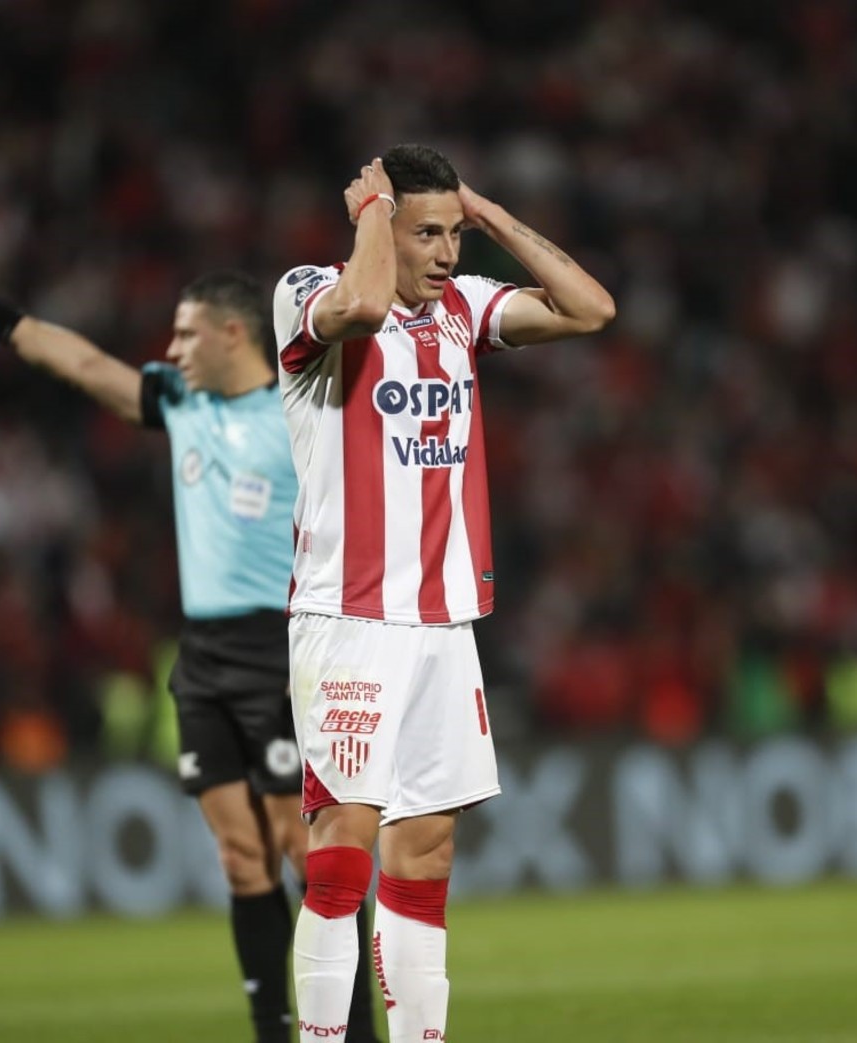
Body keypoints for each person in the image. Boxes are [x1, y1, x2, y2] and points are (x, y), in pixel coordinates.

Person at [0, 255, 379, 1042]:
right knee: (242, 858)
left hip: (283, 650)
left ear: (234, 334)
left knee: (303, 848)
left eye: (185, 333)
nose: (171, 349)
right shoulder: (177, 403)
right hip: (202, 658)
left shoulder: (300, 410)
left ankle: (355, 1030)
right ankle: (273, 1028)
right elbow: (79, 361)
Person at [272, 144, 615, 1042]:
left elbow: (591, 309)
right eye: (428, 233)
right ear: (381, 222)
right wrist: (371, 220)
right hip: (348, 618)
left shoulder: (462, 306)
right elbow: (365, 300)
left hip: (441, 623)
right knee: (343, 848)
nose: (447, 254)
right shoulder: (308, 292)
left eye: (453, 235)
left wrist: (488, 213)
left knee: (425, 851)